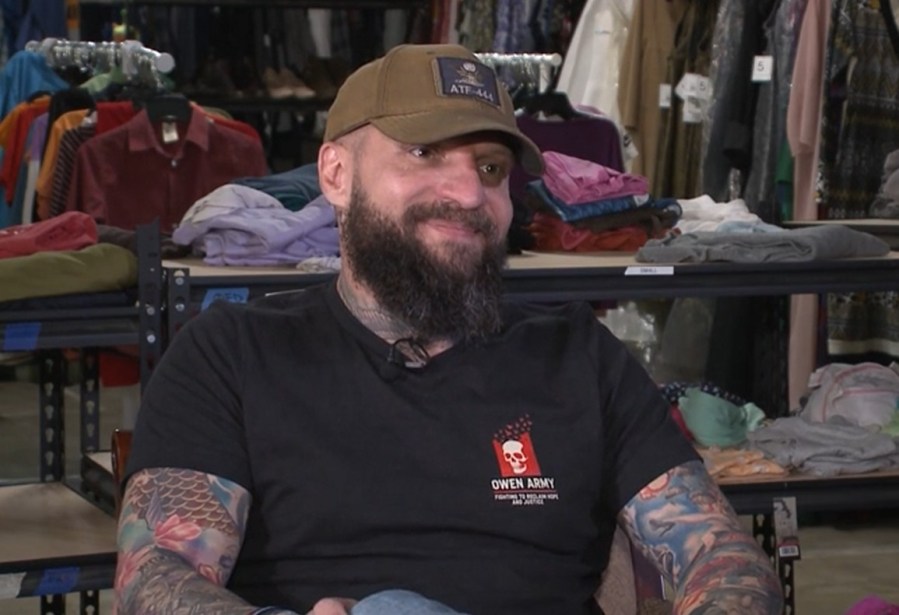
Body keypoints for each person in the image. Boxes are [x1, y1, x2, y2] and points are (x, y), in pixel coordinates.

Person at [114, 44, 783, 615]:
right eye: (424, 152)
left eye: (490, 169)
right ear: (336, 174)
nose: (468, 194)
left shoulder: (577, 354)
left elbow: (721, 555)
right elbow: (155, 575)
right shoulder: (231, 355)